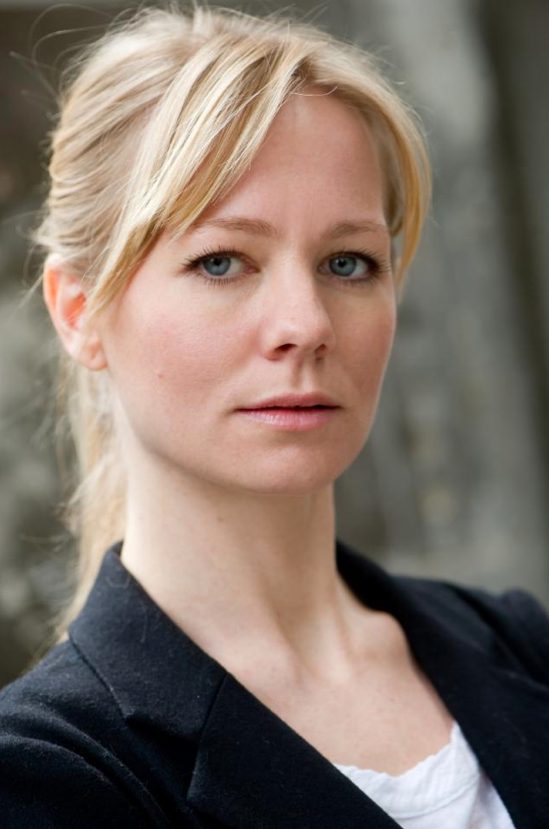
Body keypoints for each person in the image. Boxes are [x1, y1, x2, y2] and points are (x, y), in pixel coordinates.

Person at [0, 3, 548, 827]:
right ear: (80, 311)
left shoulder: (519, 646)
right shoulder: (46, 775)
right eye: (221, 261)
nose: (306, 323)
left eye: (347, 262)